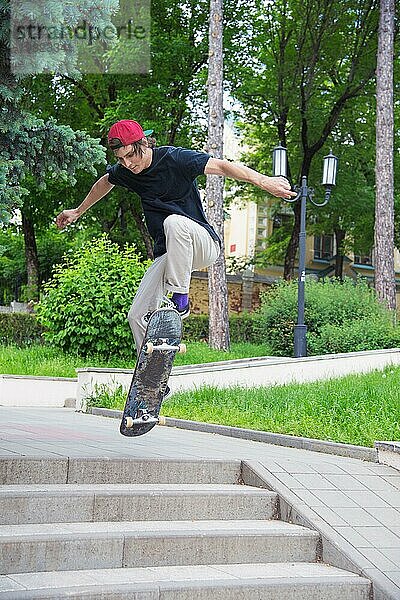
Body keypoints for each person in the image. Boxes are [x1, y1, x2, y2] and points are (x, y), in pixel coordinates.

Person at [56, 119, 296, 355]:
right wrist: (78, 211)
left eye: (131, 155)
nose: (128, 164)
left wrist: (264, 181)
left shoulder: (176, 158)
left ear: (144, 144)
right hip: (171, 255)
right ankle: (152, 377)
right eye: (121, 159)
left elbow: (222, 166)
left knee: (173, 221)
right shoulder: (127, 171)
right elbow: (105, 182)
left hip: (203, 244)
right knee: (137, 315)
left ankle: (181, 298)